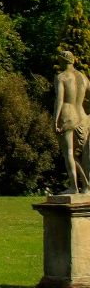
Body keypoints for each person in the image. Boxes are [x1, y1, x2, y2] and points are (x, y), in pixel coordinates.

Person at [54, 50, 90, 194]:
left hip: (68, 116)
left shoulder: (61, 77)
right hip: (82, 117)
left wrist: (55, 121)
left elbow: (60, 101)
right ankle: (87, 186)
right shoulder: (83, 77)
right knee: (84, 154)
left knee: (69, 153)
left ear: (63, 61)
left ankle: (74, 187)